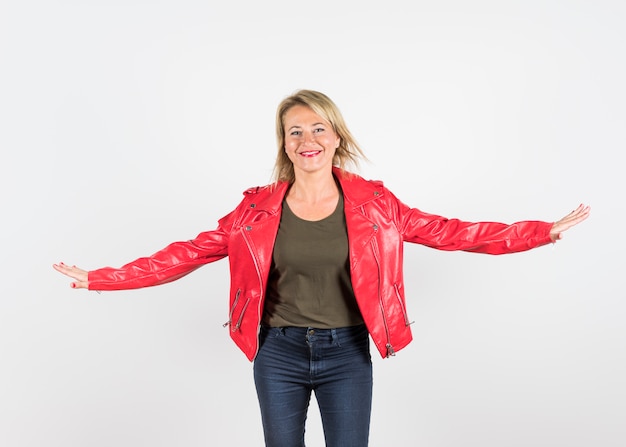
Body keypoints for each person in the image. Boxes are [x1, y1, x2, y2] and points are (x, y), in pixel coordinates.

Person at [53, 89, 590, 447]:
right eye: (294, 132)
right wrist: (102, 278)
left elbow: (453, 232)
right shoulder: (256, 210)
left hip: (348, 352)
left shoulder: (376, 205)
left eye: (317, 129)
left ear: (336, 137)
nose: (306, 140)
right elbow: (186, 254)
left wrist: (539, 233)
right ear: (284, 144)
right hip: (278, 352)